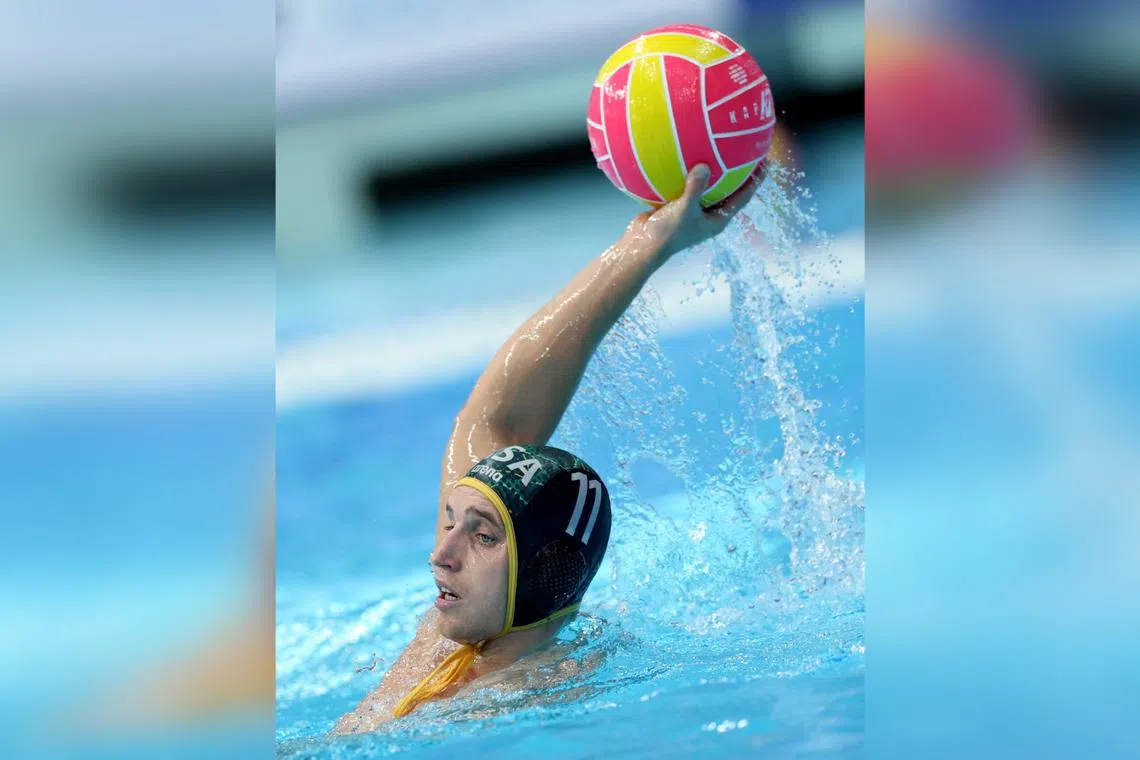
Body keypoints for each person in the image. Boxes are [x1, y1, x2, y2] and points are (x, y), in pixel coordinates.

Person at [332, 163, 763, 733]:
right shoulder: (463, 630)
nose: (441, 553)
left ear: (546, 573)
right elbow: (494, 414)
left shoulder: (531, 701)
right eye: (450, 521)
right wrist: (649, 243)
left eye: (482, 535)